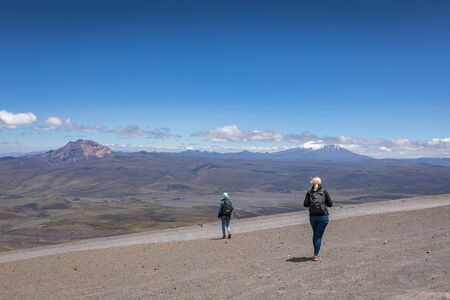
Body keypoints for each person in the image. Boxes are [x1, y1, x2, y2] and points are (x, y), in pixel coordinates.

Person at [303, 177, 333, 261]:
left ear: (312, 183)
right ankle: (316, 255)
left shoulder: (309, 192)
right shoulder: (324, 192)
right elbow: (330, 204)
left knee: (315, 234)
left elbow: (305, 204)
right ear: (320, 183)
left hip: (313, 217)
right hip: (323, 217)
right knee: (318, 236)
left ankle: (316, 253)